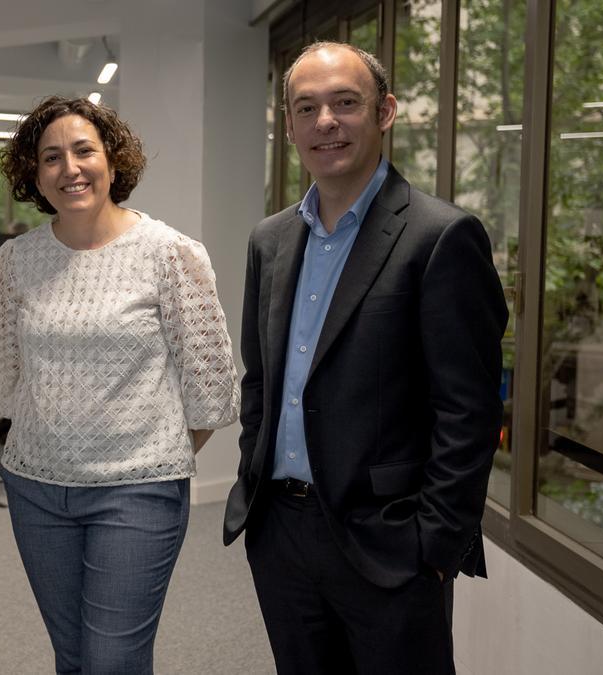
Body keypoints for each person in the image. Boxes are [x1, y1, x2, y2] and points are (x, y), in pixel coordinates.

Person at [223, 42, 507, 675]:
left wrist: (433, 545)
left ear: (384, 112)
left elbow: (469, 411)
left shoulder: (440, 237)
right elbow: (261, 382)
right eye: (308, 107)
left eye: (345, 103)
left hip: (390, 543)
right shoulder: (269, 241)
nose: (326, 122)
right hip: (281, 535)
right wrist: (253, 484)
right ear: (291, 124)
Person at [0, 95, 241, 673]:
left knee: (112, 661)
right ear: (35, 172)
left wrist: (145, 457)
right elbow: (9, 377)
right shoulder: (16, 259)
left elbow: (212, 387)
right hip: (34, 488)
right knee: (73, 656)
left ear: (113, 159)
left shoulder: (169, 253)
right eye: (51, 157)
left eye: (84, 150)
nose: (69, 168)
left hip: (136, 494)